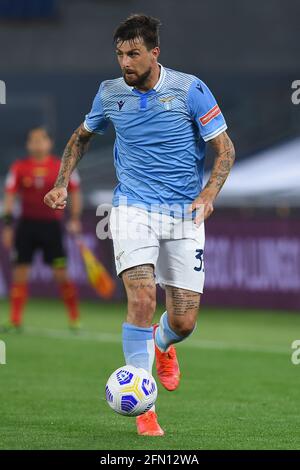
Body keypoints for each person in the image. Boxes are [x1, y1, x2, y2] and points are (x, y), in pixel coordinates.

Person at [44, 14, 235, 436]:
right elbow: (81, 136)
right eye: (119, 54)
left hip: (185, 212)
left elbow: (224, 149)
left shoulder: (190, 89)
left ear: (154, 53)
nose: (124, 63)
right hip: (132, 209)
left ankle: (163, 344)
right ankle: (144, 407)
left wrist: (207, 195)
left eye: (133, 54)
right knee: (142, 297)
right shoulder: (110, 93)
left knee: (183, 320)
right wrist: (61, 184)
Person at [1, 127, 82, 331]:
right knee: (20, 272)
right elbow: (9, 197)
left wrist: (74, 219)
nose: (37, 144)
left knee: (61, 273)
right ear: (28, 145)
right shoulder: (19, 167)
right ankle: (15, 320)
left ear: (49, 143)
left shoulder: (62, 166)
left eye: (41, 140)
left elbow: (75, 192)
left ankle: (74, 318)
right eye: (33, 140)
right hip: (26, 226)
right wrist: (9, 225)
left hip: (51, 227)